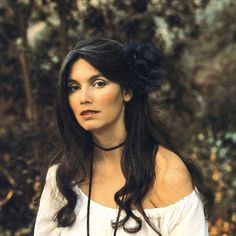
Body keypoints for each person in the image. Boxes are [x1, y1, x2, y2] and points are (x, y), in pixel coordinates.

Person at [34, 38, 213, 236]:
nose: (84, 97)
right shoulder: (63, 177)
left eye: (98, 83)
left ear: (126, 91)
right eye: (74, 87)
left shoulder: (168, 175)